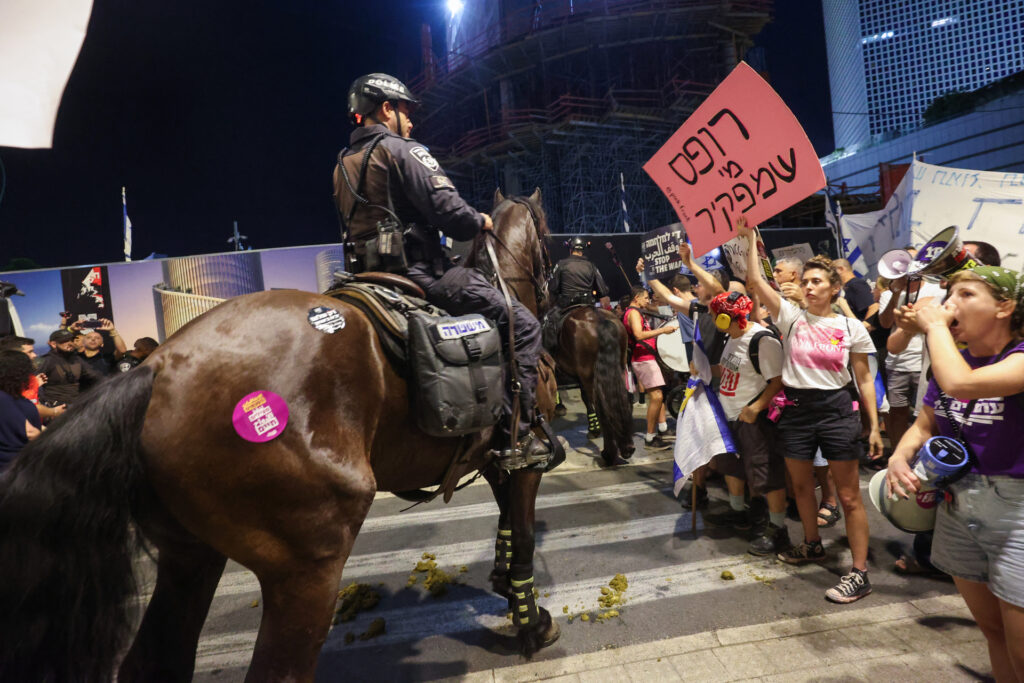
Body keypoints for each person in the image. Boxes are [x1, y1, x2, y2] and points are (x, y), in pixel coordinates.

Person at [334, 72, 548, 459]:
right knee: (525, 326)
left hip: (363, 276)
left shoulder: (342, 164)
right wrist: (478, 220)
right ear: (386, 109)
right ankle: (516, 433)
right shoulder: (404, 149)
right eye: (407, 112)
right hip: (418, 273)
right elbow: (449, 212)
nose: (411, 121)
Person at [887, 265, 1024, 681]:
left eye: (966, 294)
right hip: (958, 505)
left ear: (1005, 307)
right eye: (949, 293)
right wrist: (898, 455)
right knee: (994, 632)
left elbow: (961, 385)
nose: (949, 303)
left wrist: (933, 328)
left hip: (1015, 512)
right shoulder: (955, 359)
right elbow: (925, 423)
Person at [739, 218, 883, 604]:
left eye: (816, 281)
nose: (807, 286)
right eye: (805, 281)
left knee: (849, 496)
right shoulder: (791, 317)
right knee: (801, 487)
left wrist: (873, 425)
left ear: (835, 288)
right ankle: (813, 544)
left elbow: (864, 379)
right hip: (797, 411)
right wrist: (751, 239)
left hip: (837, 410)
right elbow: (755, 281)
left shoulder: (852, 330)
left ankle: (860, 572)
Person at [701, 292, 791, 555]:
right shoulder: (732, 336)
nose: (711, 319)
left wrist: (755, 408)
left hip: (753, 418)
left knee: (766, 473)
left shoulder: (763, 341)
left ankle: (777, 528)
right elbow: (730, 369)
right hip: (729, 415)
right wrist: (705, 368)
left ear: (727, 317)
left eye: (715, 315)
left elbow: (778, 380)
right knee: (732, 465)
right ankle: (738, 512)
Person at [623, 285, 677, 451]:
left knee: (658, 395)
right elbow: (639, 335)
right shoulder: (633, 313)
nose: (648, 300)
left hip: (647, 358)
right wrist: (662, 331)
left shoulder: (637, 312)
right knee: (656, 397)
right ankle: (650, 437)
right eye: (645, 298)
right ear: (636, 298)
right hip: (643, 359)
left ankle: (662, 428)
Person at [543, 236, 610, 350]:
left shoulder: (561, 264)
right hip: (588, 305)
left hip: (566, 305)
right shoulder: (591, 265)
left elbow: (553, 288)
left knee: (547, 323)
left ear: (570, 249)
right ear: (583, 250)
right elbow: (603, 290)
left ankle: (550, 358)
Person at [36, 329, 105, 407]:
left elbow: (95, 376)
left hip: (75, 405)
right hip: (55, 408)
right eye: (64, 341)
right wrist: (49, 406)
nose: (70, 343)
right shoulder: (46, 360)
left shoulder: (76, 359)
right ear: (53, 344)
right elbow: (32, 385)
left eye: (71, 340)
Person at [0, 349, 42, 472]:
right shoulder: (3, 398)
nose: (35, 355)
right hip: (13, 469)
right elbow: (29, 432)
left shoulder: (13, 398)